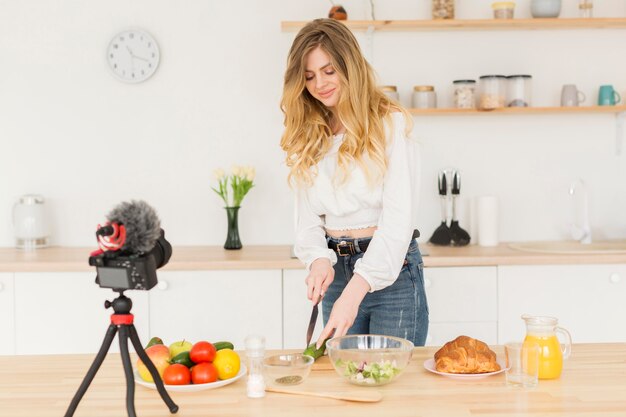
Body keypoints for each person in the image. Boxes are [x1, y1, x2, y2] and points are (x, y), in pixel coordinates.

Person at [280, 18, 428, 349]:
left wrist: (356, 289)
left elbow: (397, 223)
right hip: (337, 271)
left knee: (391, 387)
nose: (319, 83)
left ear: (351, 67)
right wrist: (318, 259)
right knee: (345, 385)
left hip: (393, 275)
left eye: (329, 71)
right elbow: (307, 221)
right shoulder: (310, 134)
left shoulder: (391, 124)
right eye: (309, 76)